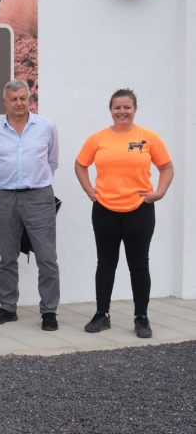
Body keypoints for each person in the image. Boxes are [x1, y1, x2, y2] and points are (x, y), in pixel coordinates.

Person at [75, 89, 173, 339]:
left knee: (139, 265)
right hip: (105, 210)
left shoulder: (148, 137)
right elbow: (80, 164)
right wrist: (89, 190)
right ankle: (101, 314)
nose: (122, 112)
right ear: (111, 110)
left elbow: (166, 167)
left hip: (139, 211)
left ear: (134, 109)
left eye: (127, 107)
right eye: (117, 107)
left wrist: (159, 193)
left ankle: (141, 317)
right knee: (105, 264)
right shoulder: (98, 139)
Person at [0, 80, 61, 331]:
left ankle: (49, 311)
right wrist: (9, 185)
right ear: (5, 102)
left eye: (23, 98)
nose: (18, 103)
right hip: (5, 197)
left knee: (47, 258)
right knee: (7, 257)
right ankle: (7, 307)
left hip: (39, 197)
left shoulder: (46, 126)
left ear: (29, 99)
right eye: (13, 99)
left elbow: (52, 161)